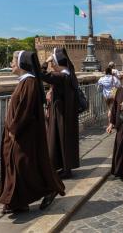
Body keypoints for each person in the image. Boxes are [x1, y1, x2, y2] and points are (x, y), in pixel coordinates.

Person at [0, 51, 65, 214]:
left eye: (14, 61)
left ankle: (48, 188)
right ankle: (17, 202)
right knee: (20, 166)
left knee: (22, 165)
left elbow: (25, 110)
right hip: (18, 133)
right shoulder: (26, 81)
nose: (11, 64)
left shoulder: (29, 82)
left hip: (23, 134)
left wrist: (14, 130)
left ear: (22, 63)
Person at [41, 48, 80, 178]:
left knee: (61, 140)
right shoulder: (69, 74)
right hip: (67, 113)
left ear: (58, 63)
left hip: (61, 114)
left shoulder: (61, 76)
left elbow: (41, 74)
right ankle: (65, 167)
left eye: (53, 62)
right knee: (65, 140)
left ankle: (65, 170)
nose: (52, 65)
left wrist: (45, 62)